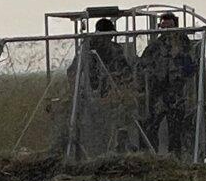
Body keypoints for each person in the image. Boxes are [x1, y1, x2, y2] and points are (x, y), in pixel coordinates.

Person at [137, 12, 196, 156]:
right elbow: (142, 64)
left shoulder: (184, 43)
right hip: (158, 93)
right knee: (151, 126)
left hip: (176, 94)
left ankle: (174, 158)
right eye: (163, 26)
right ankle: (151, 156)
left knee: (175, 129)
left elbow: (191, 67)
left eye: (169, 25)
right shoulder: (156, 45)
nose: (166, 30)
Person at [67, 17, 132, 95]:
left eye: (111, 36)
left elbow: (126, 71)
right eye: (107, 36)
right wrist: (77, 92)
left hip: (113, 92)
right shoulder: (87, 48)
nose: (110, 38)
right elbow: (72, 72)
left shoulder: (116, 49)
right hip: (92, 93)